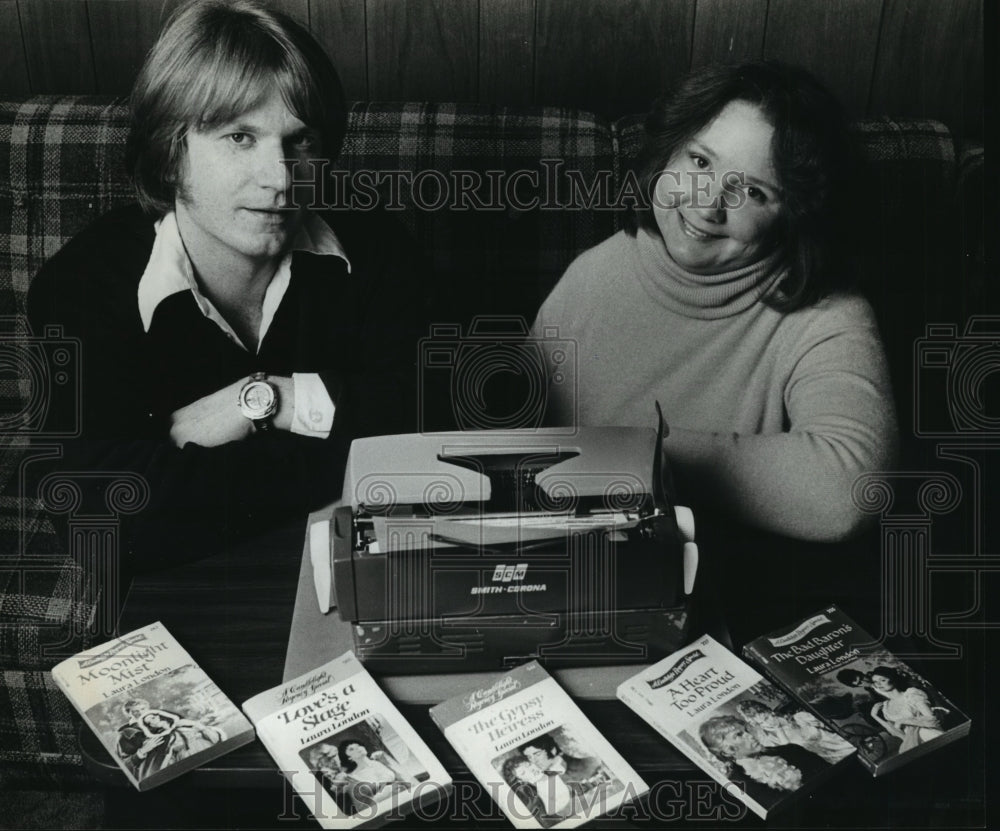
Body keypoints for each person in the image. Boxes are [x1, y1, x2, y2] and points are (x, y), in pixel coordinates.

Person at [26, 0, 428, 569]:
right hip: (183, 595)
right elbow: (101, 515)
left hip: (344, 570)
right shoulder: (83, 282)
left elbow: (433, 437)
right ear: (171, 155)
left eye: (302, 141)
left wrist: (263, 403)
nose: (281, 178)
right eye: (240, 137)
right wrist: (340, 438)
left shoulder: (377, 249)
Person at [531, 61, 897, 544]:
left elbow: (853, 491)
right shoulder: (593, 272)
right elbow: (515, 441)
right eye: (700, 163)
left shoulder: (828, 315)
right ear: (667, 154)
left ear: (794, 214)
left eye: (752, 190)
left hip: (736, 586)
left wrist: (642, 457)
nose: (707, 205)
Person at [699, 714, 830, 806]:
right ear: (727, 751)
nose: (749, 735)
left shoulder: (792, 750)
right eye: (739, 735)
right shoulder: (738, 787)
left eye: (745, 730)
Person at [736, 699, 855, 764]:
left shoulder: (799, 717)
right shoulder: (770, 739)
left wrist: (820, 724)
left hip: (843, 746)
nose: (768, 723)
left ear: (770, 711)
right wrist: (779, 730)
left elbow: (830, 728)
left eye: (767, 717)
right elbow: (792, 752)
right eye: (761, 723)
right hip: (830, 761)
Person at [868, 665, 944, 753]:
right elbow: (900, 735)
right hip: (913, 743)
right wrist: (874, 716)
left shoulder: (911, 695)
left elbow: (933, 720)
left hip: (931, 735)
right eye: (875, 682)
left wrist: (903, 721)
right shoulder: (886, 706)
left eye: (882, 680)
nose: (879, 684)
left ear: (893, 679)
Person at [518, 732, 608, 796]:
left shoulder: (589, 763)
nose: (533, 761)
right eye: (529, 757)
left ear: (552, 750)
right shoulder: (541, 782)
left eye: (537, 754)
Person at [335, 739, 411, 811]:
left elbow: (403, 777)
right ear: (349, 758)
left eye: (358, 746)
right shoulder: (353, 777)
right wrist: (386, 792)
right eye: (351, 749)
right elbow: (362, 807)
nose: (358, 748)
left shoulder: (380, 759)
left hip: (407, 797)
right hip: (386, 808)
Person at [499, 755, 574, 827]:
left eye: (528, 765)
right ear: (521, 781)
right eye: (523, 772)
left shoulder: (550, 771)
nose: (531, 770)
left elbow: (560, 763)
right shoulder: (531, 798)